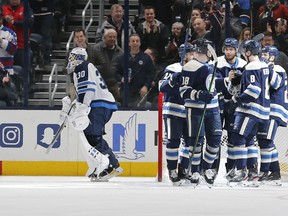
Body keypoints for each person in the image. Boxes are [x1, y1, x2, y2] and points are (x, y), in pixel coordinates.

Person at [65, 47, 123, 181]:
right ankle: (102, 165)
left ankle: (111, 166)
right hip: (99, 104)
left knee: (93, 135)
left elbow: (89, 87)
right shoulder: (80, 69)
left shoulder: (83, 66)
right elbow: (82, 91)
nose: (70, 59)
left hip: (98, 104)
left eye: (73, 56)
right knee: (89, 135)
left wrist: (83, 107)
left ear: (79, 57)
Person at [227, 40, 281, 184]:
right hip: (262, 110)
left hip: (250, 109)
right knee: (249, 140)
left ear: (249, 52)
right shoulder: (263, 66)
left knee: (238, 137)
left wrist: (236, 100)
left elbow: (254, 90)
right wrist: (238, 79)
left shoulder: (252, 66)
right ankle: (252, 171)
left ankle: (241, 171)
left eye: (245, 51)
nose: (243, 54)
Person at [179, 38, 222, 185]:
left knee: (215, 140)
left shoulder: (212, 65)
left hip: (214, 108)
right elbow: (183, 91)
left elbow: (214, 85)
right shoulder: (191, 66)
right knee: (196, 142)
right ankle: (195, 170)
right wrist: (199, 95)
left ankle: (207, 168)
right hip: (196, 109)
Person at [158, 43, 194, 185]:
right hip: (173, 109)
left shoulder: (196, 69)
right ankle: (172, 170)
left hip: (190, 110)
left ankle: (183, 168)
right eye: (188, 53)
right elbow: (162, 87)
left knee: (190, 142)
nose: (191, 55)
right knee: (173, 141)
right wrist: (173, 80)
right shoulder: (173, 68)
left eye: (192, 53)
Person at [215, 38, 247, 177]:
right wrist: (226, 79)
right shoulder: (217, 62)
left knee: (233, 138)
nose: (228, 52)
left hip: (234, 105)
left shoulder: (244, 64)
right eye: (226, 49)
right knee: (214, 138)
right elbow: (213, 82)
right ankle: (212, 170)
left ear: (236, 50)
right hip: (218, 103)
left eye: (231, 49)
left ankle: (231, 169)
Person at [257, 46, 288, 184]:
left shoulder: (277, 69)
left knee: (266, 140)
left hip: (275, 109)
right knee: (266, 140)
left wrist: (267, 66)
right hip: (271, 109)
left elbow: (276, 84)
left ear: (273, 57)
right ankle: (274, 171)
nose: (262, 56)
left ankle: (267, 171)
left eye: (265, 54)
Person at [115, 34, 154, 108]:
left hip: (140, 90)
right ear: (129, 43)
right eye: (133, 41)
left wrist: (146, 86)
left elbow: (151, 74)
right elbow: (116, 73)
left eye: (137, 41)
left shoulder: (146, 58)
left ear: (140, 43)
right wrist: (121, 79)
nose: (135, 43)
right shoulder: (122, 58)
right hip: (126, 91)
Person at [88, 28, 123, 104]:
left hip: (113, 83)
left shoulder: (120, 52)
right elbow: (91, 65)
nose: (112, 39)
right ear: (104, 38)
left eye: (114, 37)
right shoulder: (96, 49)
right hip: (99, 83)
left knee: (116, 103)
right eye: (110, 37)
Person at [2, 0, 34, 68]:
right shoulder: (3, 8)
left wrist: (14, 22)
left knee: (24, 70)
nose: (14, 1)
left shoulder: (26, 8)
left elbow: (30, 23)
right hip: (5, 46)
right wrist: (5, 20)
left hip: (21, 46)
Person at [0, 11, 18, 106]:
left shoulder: (9, 33)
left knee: (8, 98)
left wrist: (1, 42)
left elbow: (13, 50)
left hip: (6, 73)